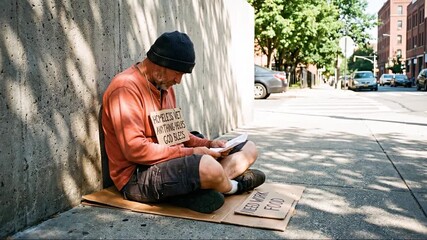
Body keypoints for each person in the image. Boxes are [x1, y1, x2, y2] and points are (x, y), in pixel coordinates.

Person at [101, 31, 265, 213]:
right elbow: (135, 150)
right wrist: (193, 152)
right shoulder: (125, 88)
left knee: (249, 148)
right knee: (207, 165)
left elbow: (177, 134)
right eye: (177, 73)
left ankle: (212, 183)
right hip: (138, 176)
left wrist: (209, 144)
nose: (178, 81)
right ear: (159, 65)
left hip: (168, 159)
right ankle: (232, 186)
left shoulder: (164, 85)